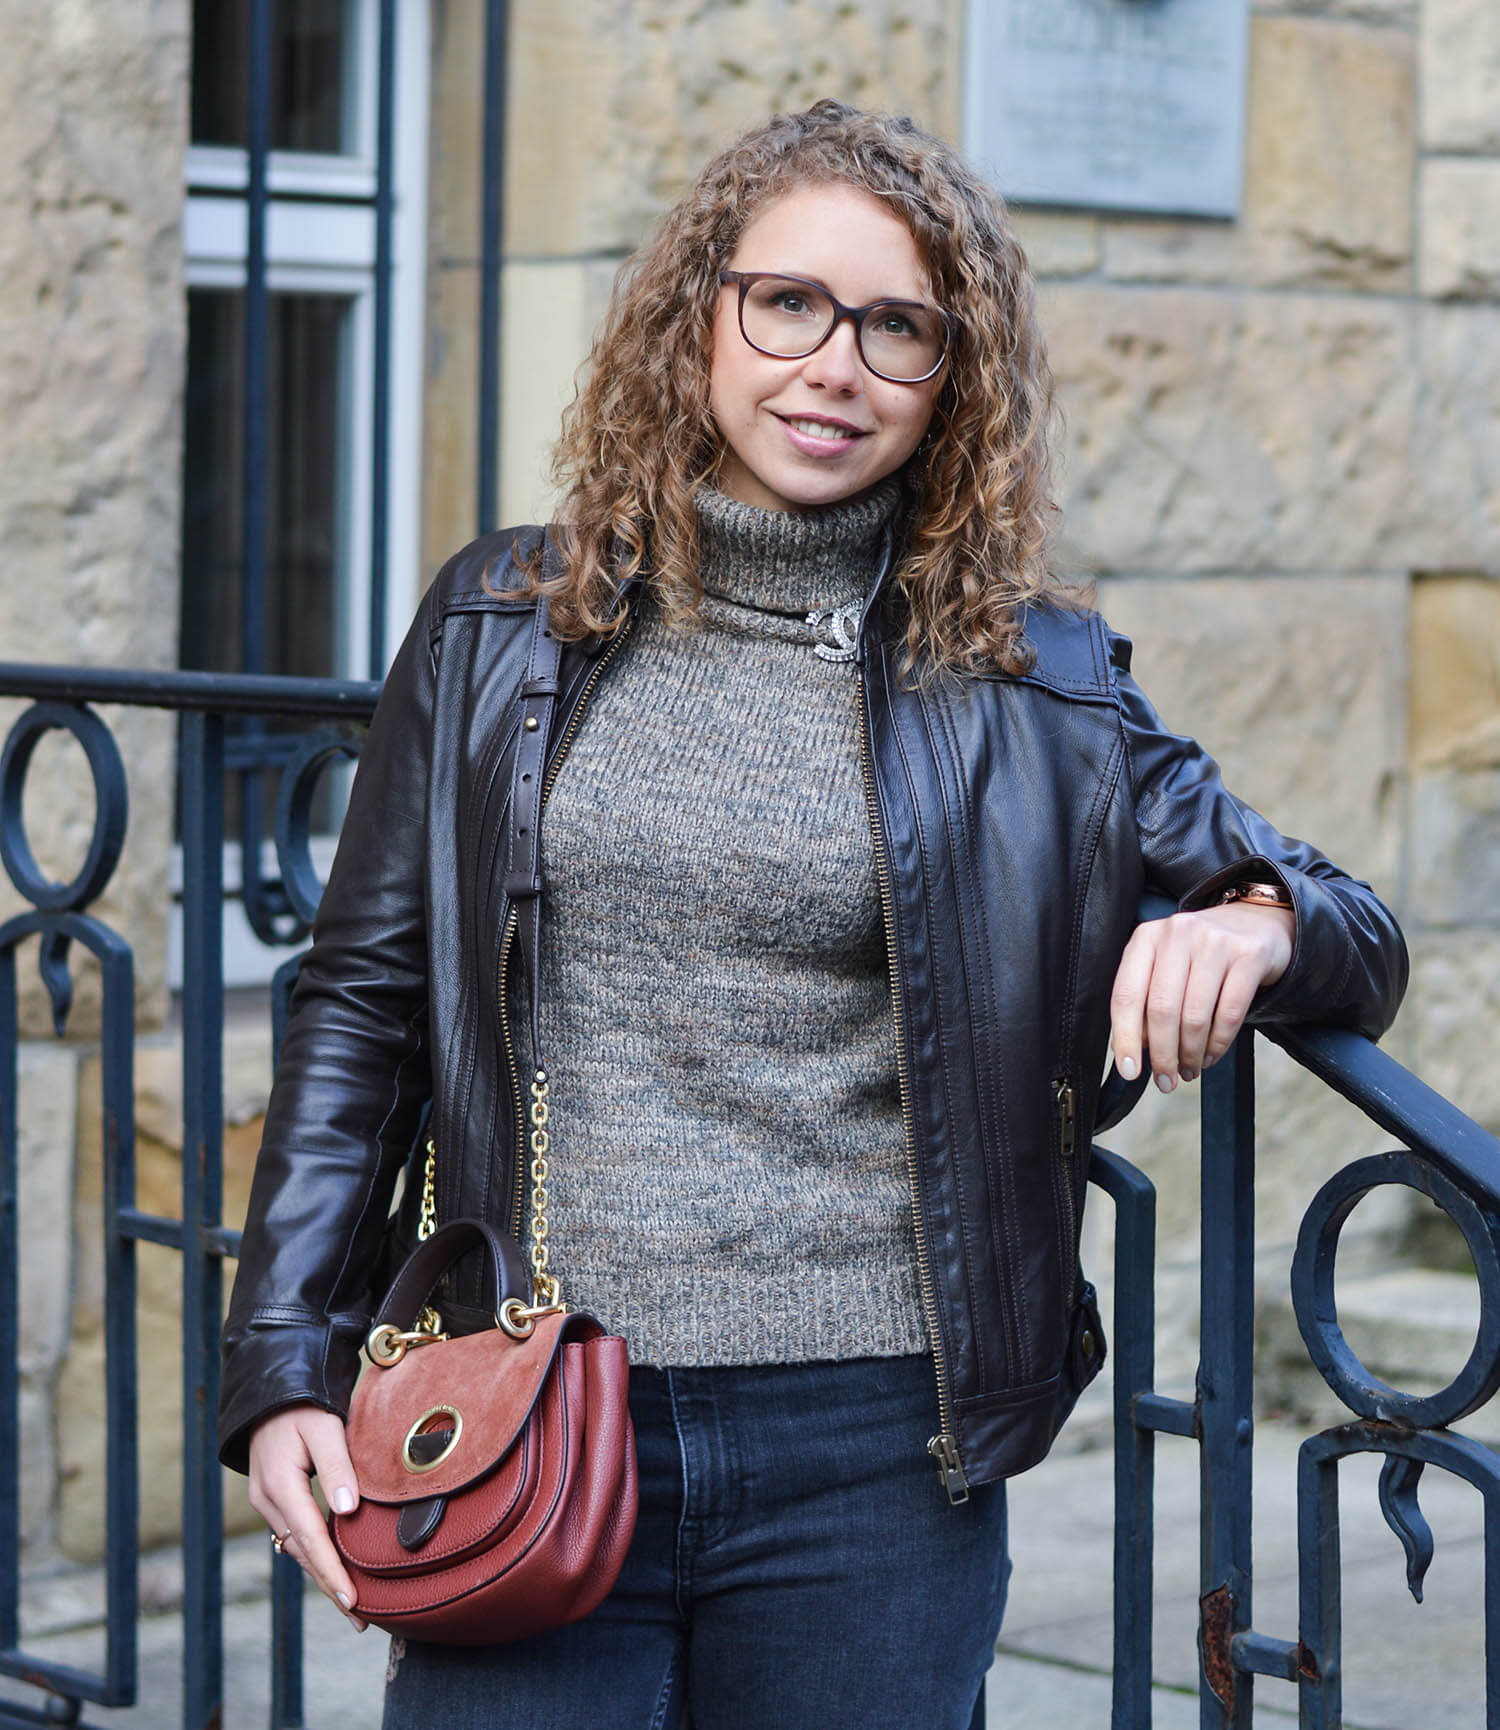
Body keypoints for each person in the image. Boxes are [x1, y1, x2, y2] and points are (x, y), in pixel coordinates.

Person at [219, 100, 1407, 1729]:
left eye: (898, 327)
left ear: (953, 376)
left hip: (879, 1454)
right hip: (533, 1410)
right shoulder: (503, 620)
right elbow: (361, 1001)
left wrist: (1257, 923)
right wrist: (285, 1355)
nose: (833, 365)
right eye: (788, 303)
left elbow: (1358, 924)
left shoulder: (1032, 683)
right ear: (700, 314)